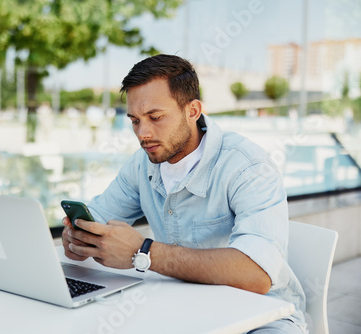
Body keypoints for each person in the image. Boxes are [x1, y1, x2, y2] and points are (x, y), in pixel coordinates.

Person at [62, 54, 307, 333]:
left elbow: (257, 274)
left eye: (155, 117)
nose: (143, 133)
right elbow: (98, 220)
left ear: (192, 111)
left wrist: (143, 252)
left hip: (264, 315)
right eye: (134, 121)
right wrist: (80, 238)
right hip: (181, 306)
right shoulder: (141, 164)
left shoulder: (248, 166)